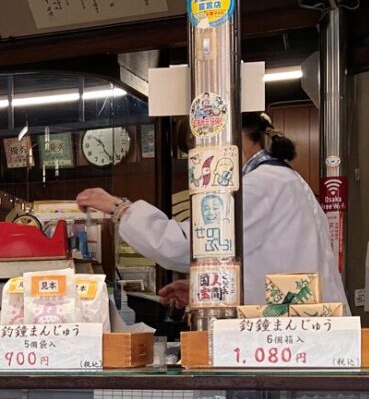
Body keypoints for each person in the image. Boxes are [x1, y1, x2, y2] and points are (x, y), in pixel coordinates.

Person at [77, 113, 347, 307]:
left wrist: (119, 207)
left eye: (198, 150)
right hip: (294, 328)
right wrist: (203, 291)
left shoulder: (260, 185)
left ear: (230, 139)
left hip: (290, 335)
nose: (200, 163)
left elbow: (186, 245)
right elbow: (261, 263)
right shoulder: (280, 179)